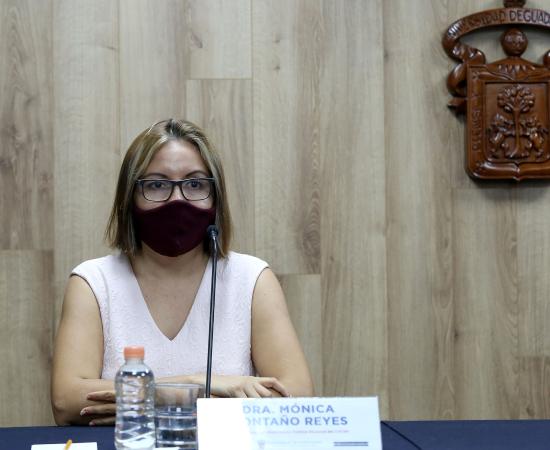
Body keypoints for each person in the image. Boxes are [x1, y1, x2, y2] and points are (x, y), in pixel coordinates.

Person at [51, 119, 313, 426]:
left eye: (195, 184)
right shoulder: (94, 282)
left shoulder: (252, 279)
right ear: (129, 198)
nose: (177, 200)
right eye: (157, 185)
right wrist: (194, 385)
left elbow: (296, 396)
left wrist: (140, 400)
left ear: (216, 198)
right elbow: (67, 400)